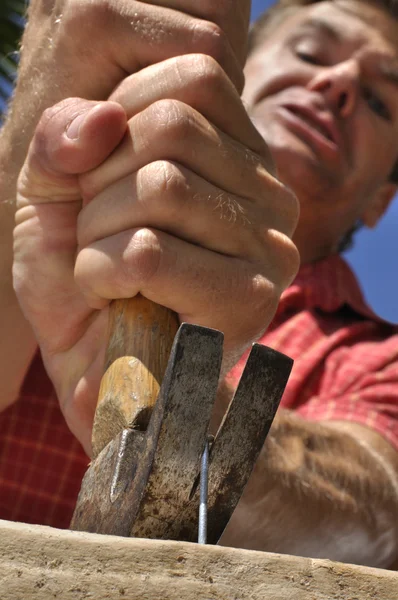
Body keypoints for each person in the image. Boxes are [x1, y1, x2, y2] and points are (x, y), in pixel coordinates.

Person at [1, 0, 398, 569]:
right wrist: (28, 145)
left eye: (381, 102)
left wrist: (182, 412)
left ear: (383, 199)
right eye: (310, 52)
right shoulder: (53, 212)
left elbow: (378, 520)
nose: (338, 83)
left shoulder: (379, 359)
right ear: (238, 68)